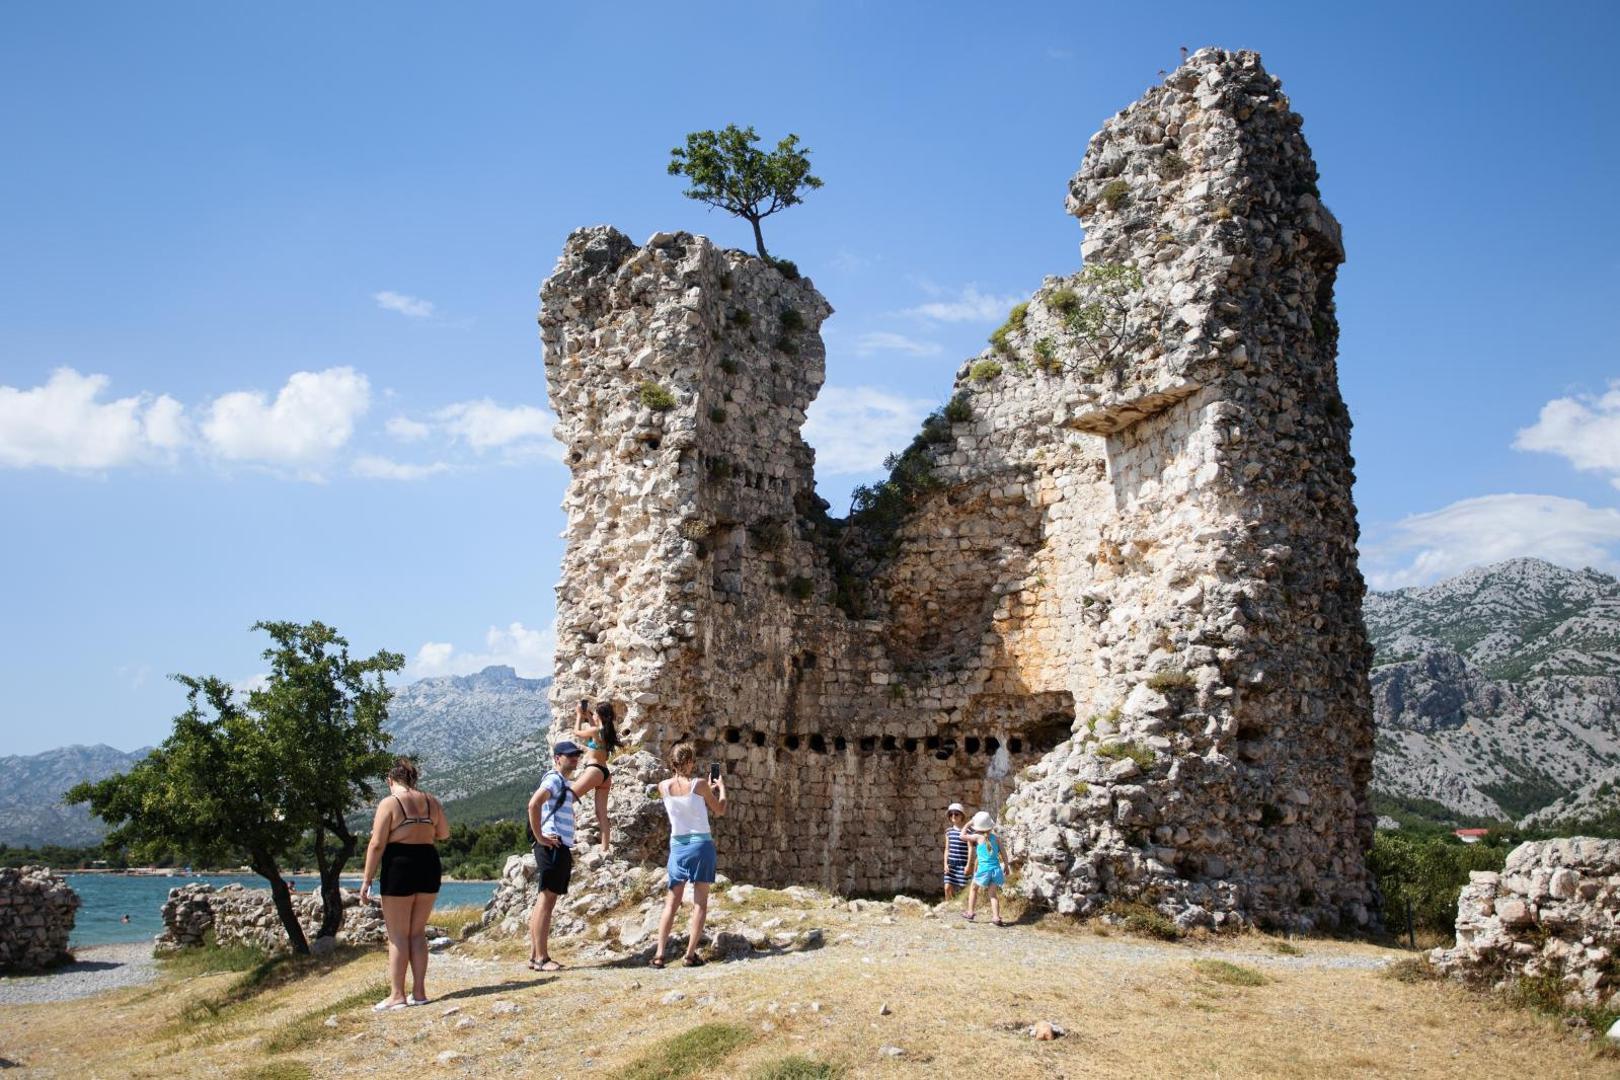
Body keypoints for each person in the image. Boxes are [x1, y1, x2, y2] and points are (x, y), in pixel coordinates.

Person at [360, 757, 449, 1010]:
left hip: (400, 865)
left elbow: (376, 844)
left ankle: (397, 995)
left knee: (398, 935)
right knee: (417, 932)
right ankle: (419, 993)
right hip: (429, 864)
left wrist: (366, 880)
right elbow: (443, 833)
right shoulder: (432, 801)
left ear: (390, 780)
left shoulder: (389, 803)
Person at [651, 742, 726, 969]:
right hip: (701, 845)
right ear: (690, 762)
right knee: (700, 904)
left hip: (678, 847)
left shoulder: (662, 786)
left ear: (672, 763)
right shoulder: (701, 784)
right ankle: (689, 955)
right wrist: (721, 789)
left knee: (671, 903)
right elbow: (719, 810)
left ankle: (659, 954)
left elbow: (683, 803)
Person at [526, 740, 589, 972]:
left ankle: (535, 956)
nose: (574, 758)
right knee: (546, 901)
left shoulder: (561, 781)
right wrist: (541, 837)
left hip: (555, 845)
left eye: (576, 755)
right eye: (569, 755)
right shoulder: (553, 779)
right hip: (552, 845)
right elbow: (533, 804)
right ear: (557, 758)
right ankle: (542, 958)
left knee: (544, 900)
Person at [572, 699, 619, 854]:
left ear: (600, 715)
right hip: (605, 774)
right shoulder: (606, 731)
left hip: (595, 770)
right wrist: (589, 717)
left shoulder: (596, 732)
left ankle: (564, 836)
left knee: (567, 797)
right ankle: (605, 849)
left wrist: (579, 715)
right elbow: (595, 729)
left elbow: (577, 733)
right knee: (601, 814)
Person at [961, 810, 1009, 926]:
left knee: (973, 888)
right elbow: (1003, 853)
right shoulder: (996, 838)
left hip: (984, 870)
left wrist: (968, 824)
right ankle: (996, 917)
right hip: (996, 870)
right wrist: (1006, 866)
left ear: (978, 827)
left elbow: (962, 836)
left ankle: (970, 912)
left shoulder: (978, 837)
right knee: (993, 894)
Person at [942, 803, 970, 900]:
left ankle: (958, 907)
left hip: (962, 864)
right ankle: (947, 906)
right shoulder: (948, 831)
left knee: (963, 890)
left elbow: (971, 850)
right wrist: (945, 864)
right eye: (951, 814)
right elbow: (947, 849)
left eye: (956, 814)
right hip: (951, 864)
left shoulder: (968, 832)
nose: (953, 816)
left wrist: (969, 865)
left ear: (962, 815)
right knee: (947, 888)